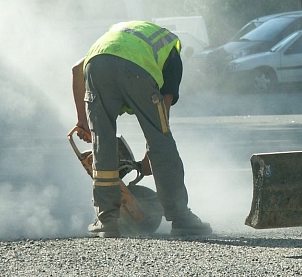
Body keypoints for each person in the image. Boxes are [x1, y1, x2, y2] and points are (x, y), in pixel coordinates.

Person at [72, 20, 212, 238]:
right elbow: (161, 124)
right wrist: (150, 157)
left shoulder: (115, 35)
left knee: (103, 144)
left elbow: (75, 70)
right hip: (136, 72)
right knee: (161, 140)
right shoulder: (172, 51)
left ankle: (107, 220)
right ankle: (181, 218)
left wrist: (83, 121)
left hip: (96, 67)